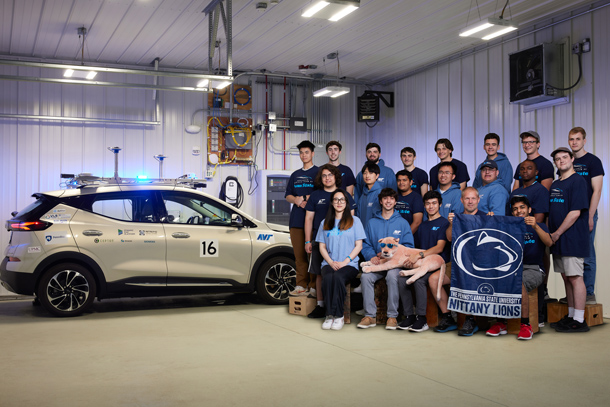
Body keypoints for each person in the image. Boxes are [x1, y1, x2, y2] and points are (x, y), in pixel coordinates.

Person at [486, 196, 552, 340]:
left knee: (518, 283)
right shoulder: (508, 227)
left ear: (529, 209)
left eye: (522, 207)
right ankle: (500, 323)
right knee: (499, 280)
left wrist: (535, 226)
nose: (519, 211)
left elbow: (549, 242)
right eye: (515, 209)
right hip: (513, 268)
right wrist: (489, 220)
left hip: (534, 269)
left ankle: (525, 325)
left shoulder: (539, 225)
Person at [304, 164, 356, 318]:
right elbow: (308, 218)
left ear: (336, 177)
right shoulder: (315, 195)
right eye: (324, 175)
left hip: (341, 243)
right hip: (320, 242)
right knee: (321, 273)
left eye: (330, 175)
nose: (327, 178)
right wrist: (308, 241)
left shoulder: (345, 195)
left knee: (339, 272)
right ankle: (321, 306)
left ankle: (336, 307)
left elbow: (351, 219)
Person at [358, 188, 414, 330]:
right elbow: (366, 244)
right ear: (381, 201)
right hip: (378, 263)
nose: (388, 201)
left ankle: (392, 316)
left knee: (392, 276)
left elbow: (408, 246)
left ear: (395, 201)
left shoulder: (402, 223)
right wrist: (372, 256)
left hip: (395, 266)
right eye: (385, 198)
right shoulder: (371, 223)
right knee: (365, 277)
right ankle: (370, 316)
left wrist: (392, 256)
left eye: (391, 198)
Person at [548, 147, 590, 333]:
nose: (561, 160)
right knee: (566, 277)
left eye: (565, 157)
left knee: (575, 277)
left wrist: (557, 233)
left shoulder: (578, 181)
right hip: (558, 240)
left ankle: (580, 320)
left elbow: (575, 212)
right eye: (557, 159)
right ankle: (571, 316)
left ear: (572, 159)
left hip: (571, 238)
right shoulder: (556, 183)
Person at [398, 190, 450, 332]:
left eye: (434, 203)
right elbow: (416, 249)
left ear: (440, 204)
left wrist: (419, 255)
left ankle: (422, 319)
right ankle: (409, 315)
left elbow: (439, 248)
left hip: (438, 264)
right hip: (422, 263)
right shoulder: (423, 225)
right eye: (427, 204)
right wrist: (410, 259)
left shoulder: (444, 223)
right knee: (402, 278)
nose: (431, 206)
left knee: (419, 280)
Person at [316, 189, 366, 330]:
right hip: (329, 262)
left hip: (349, 263)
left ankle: (338, 316)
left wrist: (345, 262)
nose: (339, 202)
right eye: (336, 199)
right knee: (327, 278)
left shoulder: (355, 221)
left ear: (346, 203)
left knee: (337, 277)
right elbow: (322, 247)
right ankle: (329, 315)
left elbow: (359, 246)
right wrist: (331, 262)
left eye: (342, 199)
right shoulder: (324, 223)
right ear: (332, 203)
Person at [445, 187, 491, 336]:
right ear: (461, 200)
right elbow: (449, 238)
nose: (470, 202)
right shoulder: (457, 217)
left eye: (473, 199)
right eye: (467, 198)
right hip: (458, 263)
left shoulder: (486, 217)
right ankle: (449, 318)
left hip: (480, 265)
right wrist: (451, 224)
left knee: (469, 279)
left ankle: (470, 319)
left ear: (478, 200)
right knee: (433, 280)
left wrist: (492, 221)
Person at [567, 127, 604, 304]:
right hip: (570, 214)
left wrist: (590, 216)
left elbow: (597, 191)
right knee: (571, 255)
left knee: (587, 253)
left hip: (586, 214)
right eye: (571, 139)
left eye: (577, 139)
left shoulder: (593, 161)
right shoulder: (567, 161)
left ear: (584, 141)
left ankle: (589, 292)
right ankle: (574, 296)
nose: (574, 142)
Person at [285, 140, 318, 297]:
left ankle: (313, 285)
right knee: (299, 256)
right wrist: (296, 200)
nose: (303, 155)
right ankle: (300, 285)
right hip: (296, 221)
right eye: (301, 152)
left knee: (313, 255)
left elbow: (321, 193)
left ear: (312, 153)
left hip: (313, 221)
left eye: (306, 152)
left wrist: (304, 197)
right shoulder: (295, 175)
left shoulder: (318, 173)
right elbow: (288, 195)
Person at [395, 170, 424, 244]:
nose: (401, 183)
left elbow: (417, 222)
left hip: (410, 239)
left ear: (411, 182)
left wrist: (403, 238)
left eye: (404, 180)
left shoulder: (416, 198)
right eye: (399, 180)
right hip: (394, 237)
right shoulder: (394, 197)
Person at [355, 161, 382, 227]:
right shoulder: (363, 194)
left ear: (377, 175)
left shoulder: (380, 193)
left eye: (371, 173)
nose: (367, 176)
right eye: (365, 173)